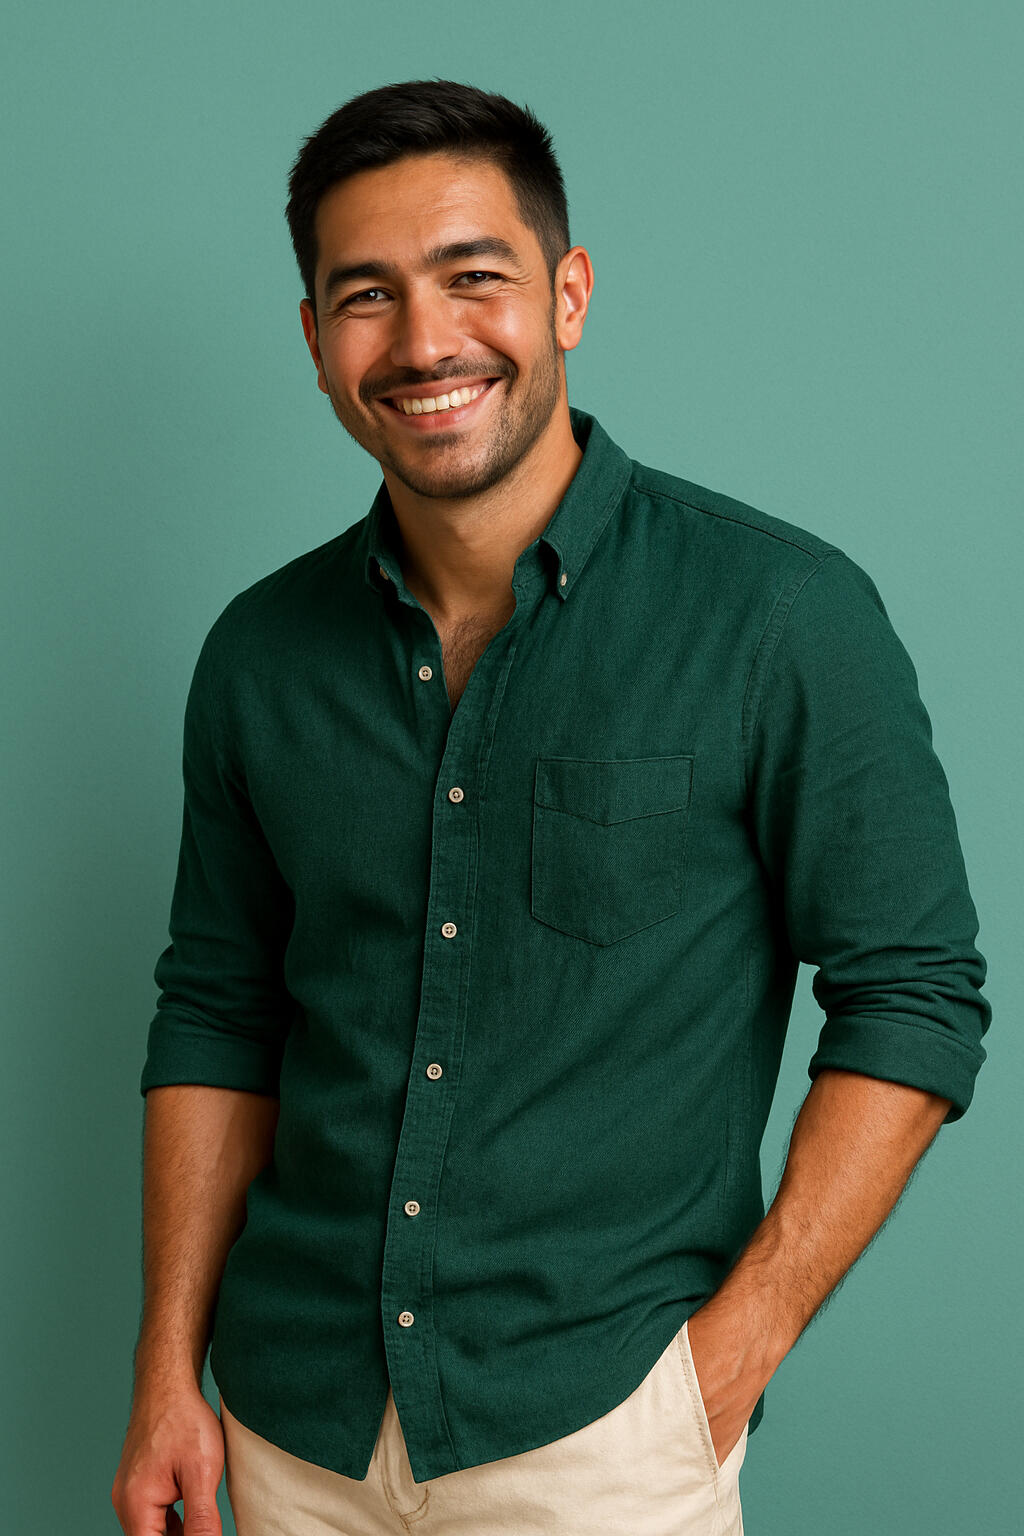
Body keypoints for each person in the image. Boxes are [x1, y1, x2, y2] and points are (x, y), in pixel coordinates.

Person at [111, 78, 990, 1536]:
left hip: (602, 1434)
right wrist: (164, 1372)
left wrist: (721, 1369)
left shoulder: (779, 614)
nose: (425, 342)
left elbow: (916, 994)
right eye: (365, 297)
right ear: (318, 346)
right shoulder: (258, 656)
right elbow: (217, 1010)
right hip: (285, 1431)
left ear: (568, 295)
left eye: (475, 279)